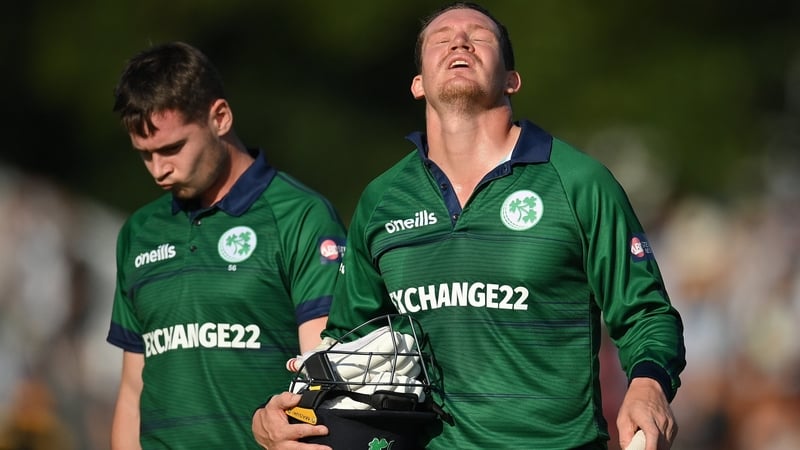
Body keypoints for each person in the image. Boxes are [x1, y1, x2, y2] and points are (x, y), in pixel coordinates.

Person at [252, 2, 685, 449]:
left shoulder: (579, 182)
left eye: (480, 37)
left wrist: (649, 384)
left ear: (511, 79)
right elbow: (348, 345)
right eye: (441, 39)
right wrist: (287, 411)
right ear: (418, 84)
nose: (459, 41)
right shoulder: (381, 200)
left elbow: (646, 315)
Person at [106, 41, 346, 449]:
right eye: (145, 155)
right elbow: (132, 392)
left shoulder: (300, 216)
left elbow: (326, 375)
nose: (159, 170)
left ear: (219, 117)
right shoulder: (139, 231)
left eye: (172, 148)